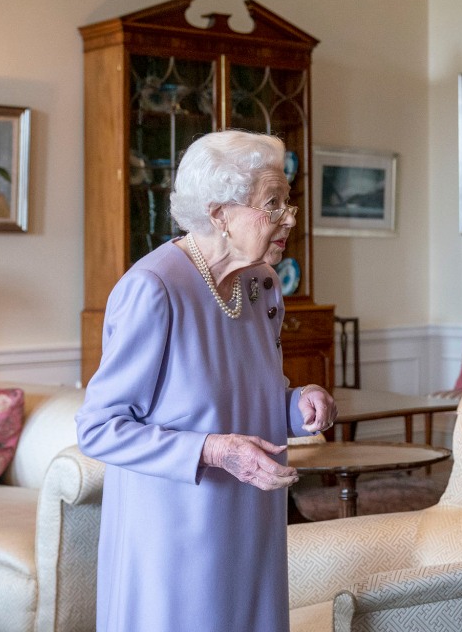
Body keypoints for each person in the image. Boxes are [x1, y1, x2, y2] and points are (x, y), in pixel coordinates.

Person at [76, 130, 337, 632]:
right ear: (219, 214)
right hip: (176, 528)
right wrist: (216, 451)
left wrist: (298, 403)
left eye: (289, 201)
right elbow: (99, 427)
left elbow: (246, 397)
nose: (290, 217)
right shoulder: (153, 290)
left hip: (251, 515)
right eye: (273, 203)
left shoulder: (261, 286)